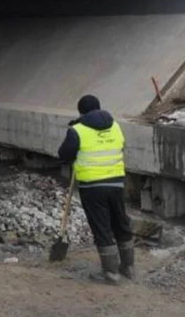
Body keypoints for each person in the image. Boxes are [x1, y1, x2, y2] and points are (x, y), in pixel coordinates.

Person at [57, 94, 133, 284]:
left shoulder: (77, 130)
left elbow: (64, 154)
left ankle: (111, 273)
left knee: (102, 227)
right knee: (120, 223)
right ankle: (128, 267)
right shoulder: (115, 126)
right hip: (116, 183)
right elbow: (122, 146)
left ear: (81, 112)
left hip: (92, 186)